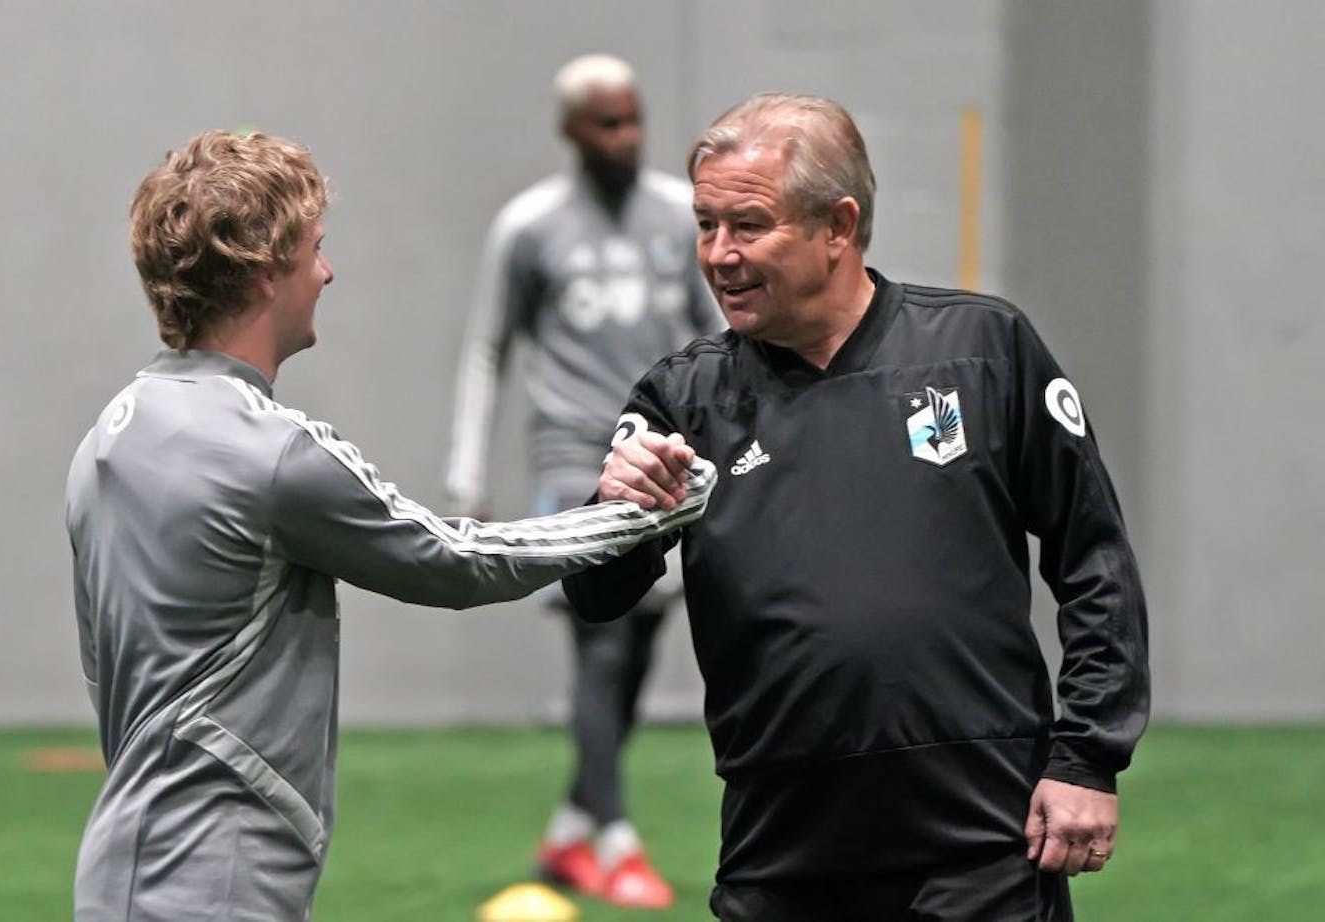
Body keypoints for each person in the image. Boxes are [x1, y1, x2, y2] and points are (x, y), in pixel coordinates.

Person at [65, 129, 714, 922]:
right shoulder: (265, 451)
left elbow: (106, 669)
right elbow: (453, 560)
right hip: (217, 879)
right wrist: (636, 514)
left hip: (123, 868)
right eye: (314, 250)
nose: (327, 272)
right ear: (266, 272)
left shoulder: (112, 434)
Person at [563, 93, 1150, 921]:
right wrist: (618, 506)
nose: (719, 255)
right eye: (705, 225)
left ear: (837, 226)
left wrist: (1088, 757)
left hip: (983, 841)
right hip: (783, 854)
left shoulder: (984, 353)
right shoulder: (681, 400)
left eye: (748, 225)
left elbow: (1094, 558)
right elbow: (597, 596)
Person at [444, 54, 723, 908]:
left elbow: (717, 334)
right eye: (607, 123)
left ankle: (570, 827)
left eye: (634, 118)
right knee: (601, 645)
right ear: (570, 131)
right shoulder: (529, 228)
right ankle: (615, 840)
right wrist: (466, 473)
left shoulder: (681, 216)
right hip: (573, 463)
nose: (627, 137)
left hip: (666, 463)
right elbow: (489, 348)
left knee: (637, 650)